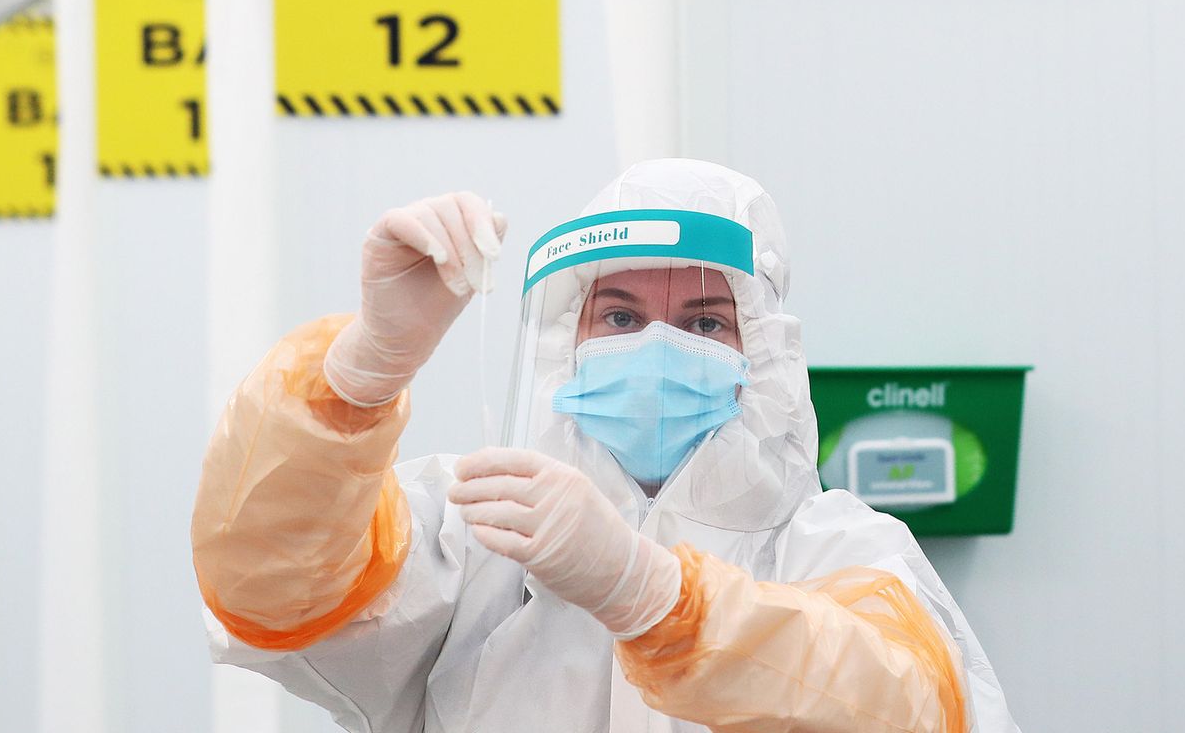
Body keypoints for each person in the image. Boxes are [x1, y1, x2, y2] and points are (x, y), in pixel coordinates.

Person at [191, 159, 1018, 732]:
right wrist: (361, 374)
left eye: (703, 322)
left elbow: (909, 705)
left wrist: (650, 593)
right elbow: (268, 587)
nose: (657, 346)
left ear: (761, 352)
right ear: (566, 341)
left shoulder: (837, 548)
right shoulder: (479, 527)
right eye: (619, 317)